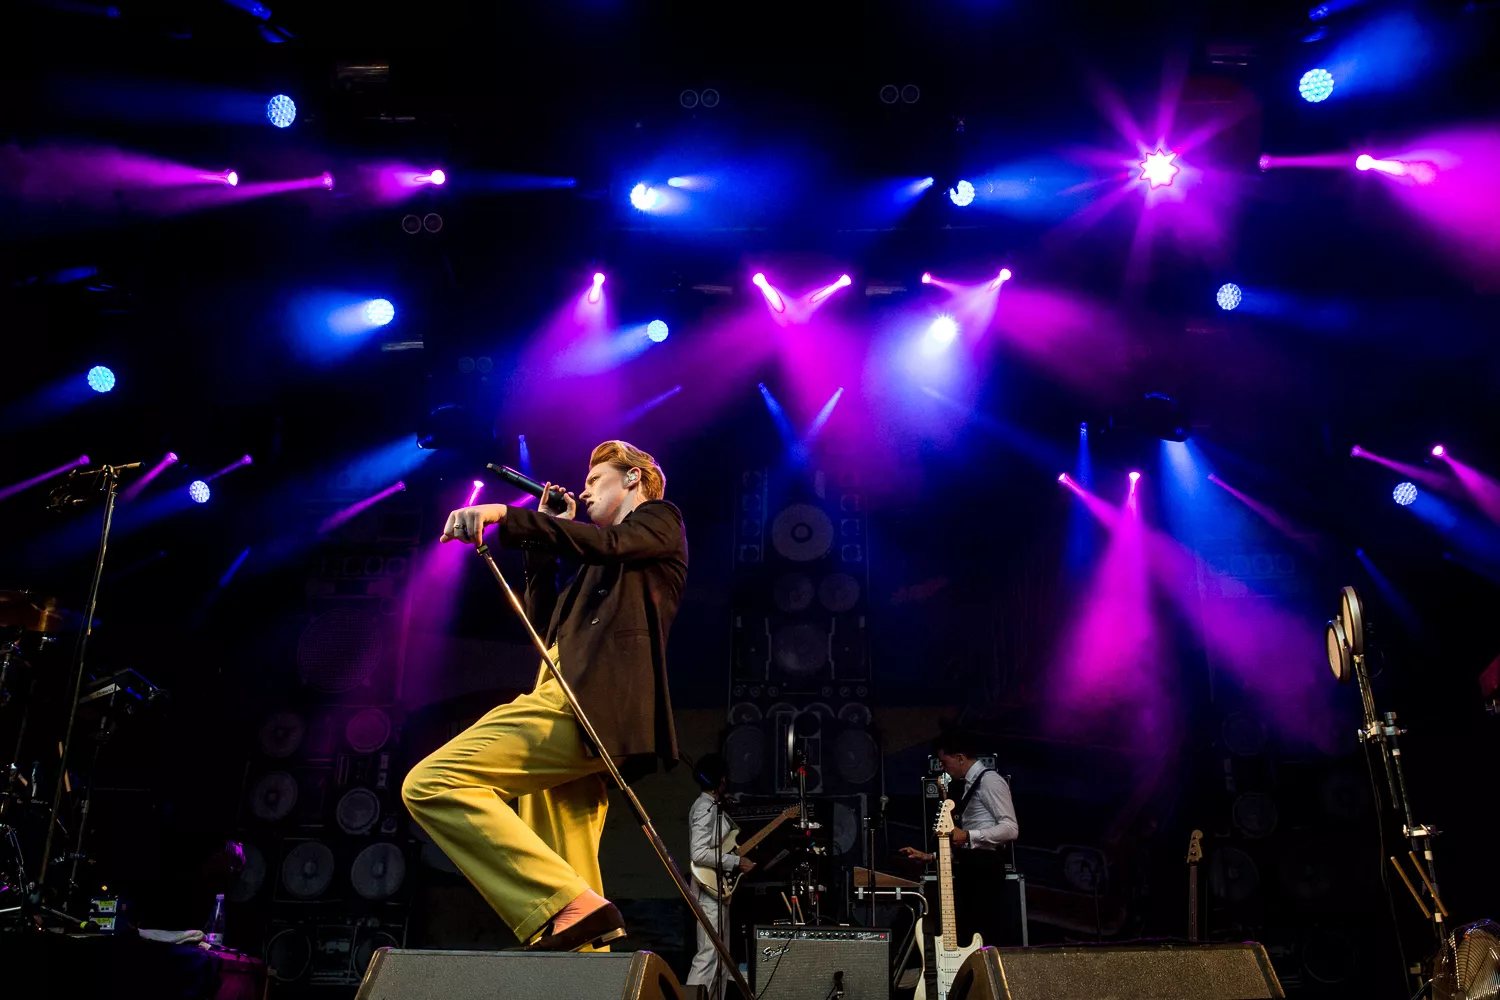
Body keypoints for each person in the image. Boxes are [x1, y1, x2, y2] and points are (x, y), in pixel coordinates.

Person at [401, 440, 687, 953]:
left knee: (432, 783)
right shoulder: (600, 565)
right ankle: (586, 960)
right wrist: (542, 540)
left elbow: (609, 544)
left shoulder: (659, 521)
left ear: (632, 479)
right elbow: (544, 630)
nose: (585, 490)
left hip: (583, 705)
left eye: (596, 479)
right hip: (567, 697)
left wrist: (503, 514)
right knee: (571, 873)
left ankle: (561, 906)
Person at [900, 731, 1020, 947]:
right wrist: (931, 857)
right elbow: (966, 841)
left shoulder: (990, 781)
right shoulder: (968, 785)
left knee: (982, 932)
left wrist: (967, 835)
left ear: (960, 757)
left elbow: (1011, 829)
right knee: (965, 933)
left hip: (985, 868)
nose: (943, 768)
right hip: (969, 866)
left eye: (945, 762)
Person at [686, 753, 754, 999]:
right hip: (708, 891)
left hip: (717, 890)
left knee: (721, 959)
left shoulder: (714, 807)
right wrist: (736, 861)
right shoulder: (705, 808)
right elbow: (698, 852)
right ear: (722, 779)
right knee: (708, 955)